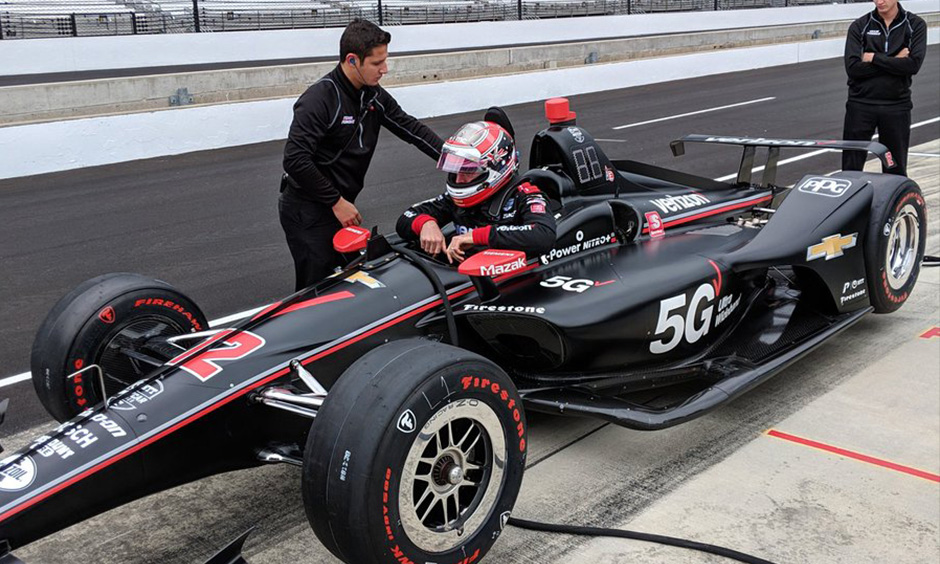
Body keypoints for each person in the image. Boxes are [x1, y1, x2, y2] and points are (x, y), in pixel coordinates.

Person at [280, 18, 444, 291]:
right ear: (353, 60)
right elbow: (295, 160)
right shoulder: (319, 99)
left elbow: (408, 126)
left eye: (385, 60)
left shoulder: (372, 95)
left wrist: (452, 158)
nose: (385, 69)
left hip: (340, 205)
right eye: (377, 63)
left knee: (349, 283)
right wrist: (336, 201)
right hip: (307, 209)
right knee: (316, 291)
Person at [395, 120, 556, 264]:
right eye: (456, 169)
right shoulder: (455, 200)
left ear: (495, 168)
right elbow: (406, 218)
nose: (459, 180)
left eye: (467, 171)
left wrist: (475, 236)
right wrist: (426, 224)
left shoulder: (526, 195)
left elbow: (543, 235)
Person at [842, 0, 926, 176]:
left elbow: (912, 66)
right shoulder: (860, 25)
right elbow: (853, 69)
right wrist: (895, 59)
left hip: (896, 106)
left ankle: (894, 204)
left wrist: (873, 57)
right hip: (860, 105)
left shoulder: (915, 25)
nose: (879, 1)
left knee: (895, 169)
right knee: (850, 170)